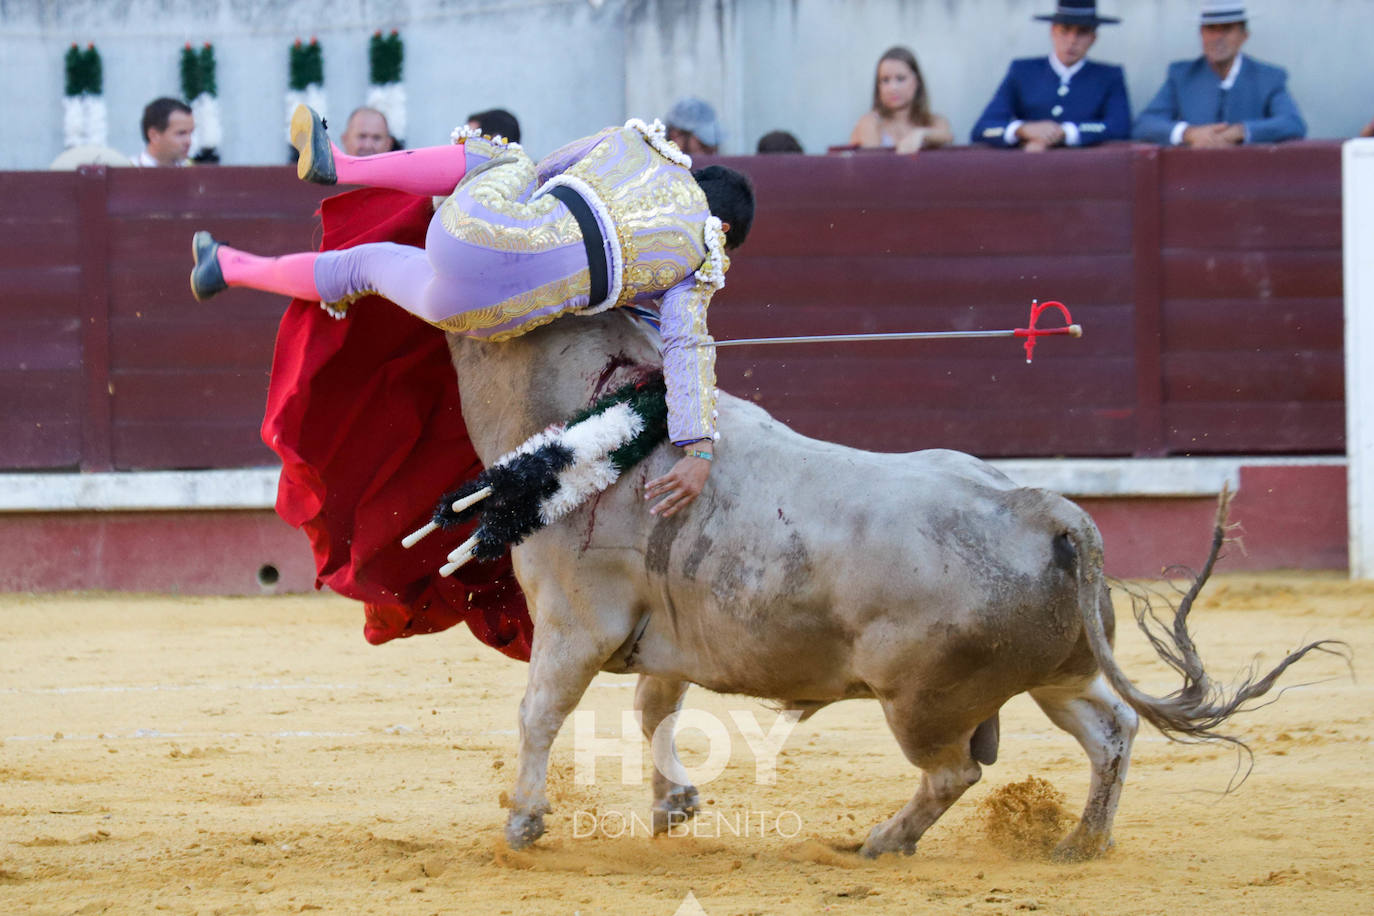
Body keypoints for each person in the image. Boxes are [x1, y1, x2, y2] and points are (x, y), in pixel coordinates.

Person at [190, 106, 754, 518]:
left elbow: (544, 175)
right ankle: (225, 266)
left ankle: (339, 167)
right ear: (723, 230)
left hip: (472, 235)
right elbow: (686, 347)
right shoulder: (698, 260)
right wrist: (697, 449)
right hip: (485, 314)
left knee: (506, 155)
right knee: (367, 267)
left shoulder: (636, 145)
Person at [1132, 2, 1306, 147]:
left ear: (1244, 36)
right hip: (1195, 176)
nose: (1217, 37)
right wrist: (1189, 133)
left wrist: (1241, 131)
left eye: (1227, 29)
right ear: (1201, 34)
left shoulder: (1268, 77)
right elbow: (1145, 124)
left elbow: (1292, 123)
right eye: (1211, 29)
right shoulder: (1182, 75)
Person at [970, 0, 1130, 151]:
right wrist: (1022, 130)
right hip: (1029, 166)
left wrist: (1065, 132)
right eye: (1065, 30)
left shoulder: (1108, 76)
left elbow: (1120, 127)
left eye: (1082, 32)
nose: (1072, 41)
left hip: (1085, 169)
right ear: (1053, 31)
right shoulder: (1023, 71)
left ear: (1093, 38)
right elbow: (984, 128)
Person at [848, 46, 953, 153]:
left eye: (900, 78)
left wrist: (922, 134)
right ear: (878, 86)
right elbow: (874, 165)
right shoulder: (870, 123)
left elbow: (947, 136)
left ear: (917, 82)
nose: (893, 88)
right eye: (885, 80)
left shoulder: (935, 121)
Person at [135, 97, 194, 167]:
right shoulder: (128, 172)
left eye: (190, 133)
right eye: (181, 133)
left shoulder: (194, 172)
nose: (189, 142)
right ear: (154, 136)